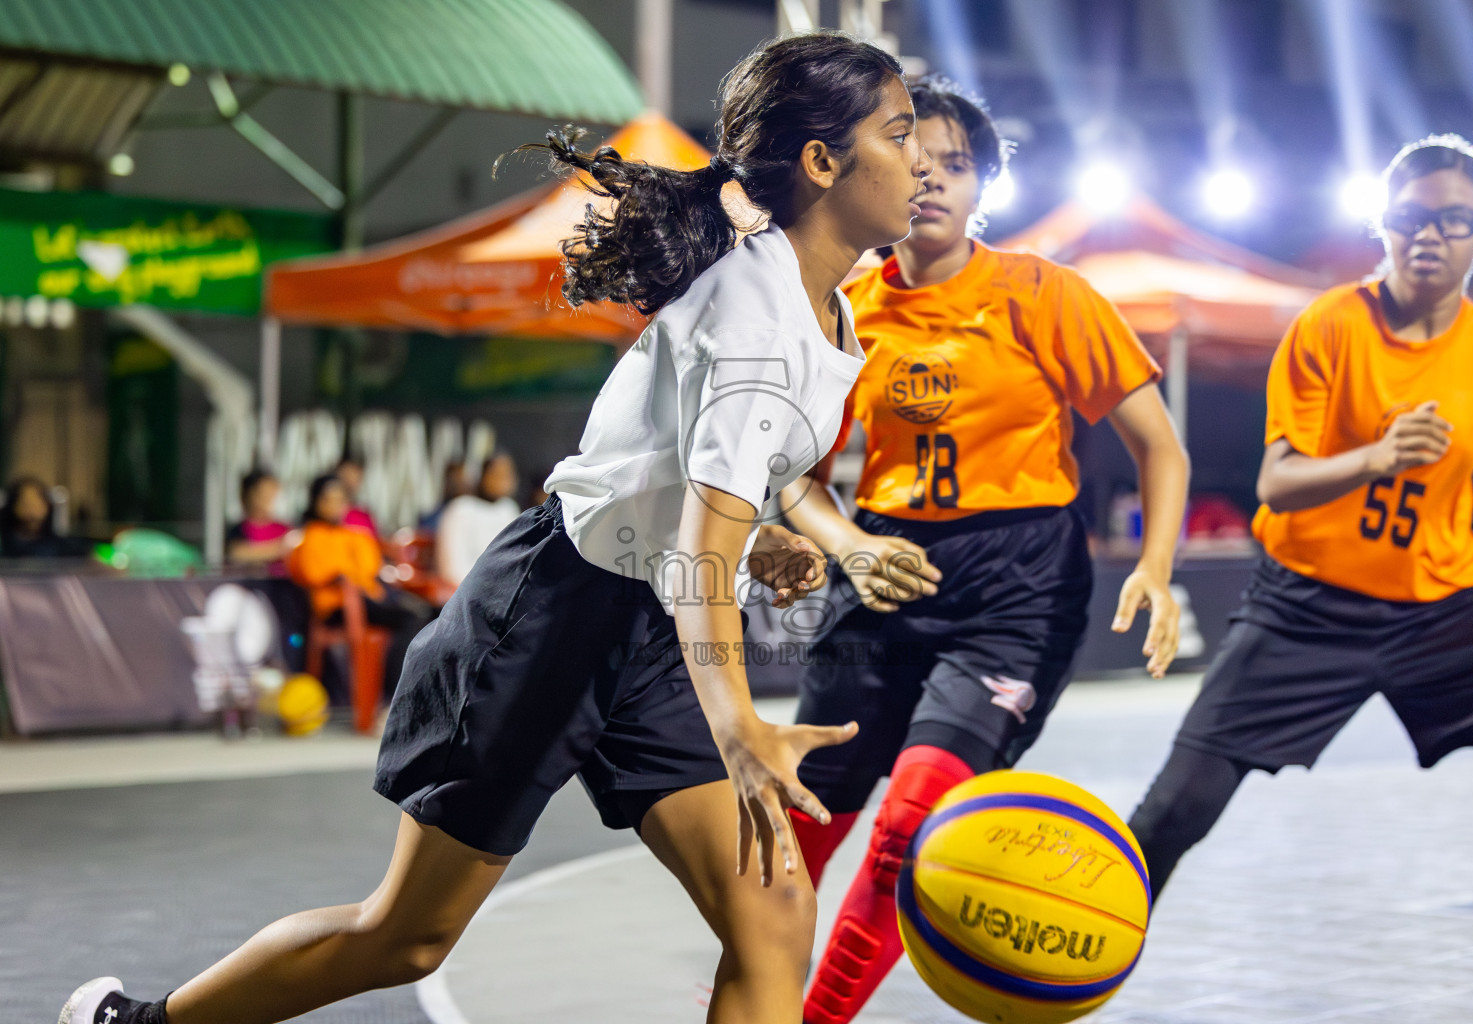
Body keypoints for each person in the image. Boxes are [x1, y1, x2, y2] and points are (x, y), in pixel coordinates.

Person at [60, 32, 931, 1024]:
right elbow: (700, 543)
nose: (922, 165)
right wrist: (739, 724)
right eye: (899, 136)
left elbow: (686, 483)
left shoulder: (825, 311)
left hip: (650, 630)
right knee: (406, 935)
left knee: (772, 912)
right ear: (823, 162)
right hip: (551, 619)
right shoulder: (760, 318)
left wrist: (761, 533)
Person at [780, 77, 1188, 1024]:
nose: (928, 182)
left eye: (953, 166)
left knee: (908, 832)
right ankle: (744, 1004)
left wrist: (1157, 569)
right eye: (907, 159)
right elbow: (794, 473)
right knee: (794, 833)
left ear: (983, 189)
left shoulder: (1046, 293)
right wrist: (843, 543)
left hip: (1017, 590)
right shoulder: (840, 309)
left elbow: (1159, 446)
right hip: (882, 570)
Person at [1127, 134, 1473, 909]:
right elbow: (1276, 483)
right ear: (1381, 223)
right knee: (1175, 809)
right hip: (1306, 609)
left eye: (1454, 221)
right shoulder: (1329, 326)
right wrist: (1376, 458)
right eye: (1411, 216)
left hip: (1443, 614)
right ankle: (1056, 970)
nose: (1429, 236)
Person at [282, 474, 434, 701]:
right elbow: (314, 573)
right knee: (410, 617)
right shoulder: (309, 538)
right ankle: (393, 695)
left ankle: (418, 692)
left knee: (428, 613)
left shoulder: (356, 535)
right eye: (327, 499)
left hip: (370, 599)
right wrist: (348, 576)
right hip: (338, 607)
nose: (334, 506)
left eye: (339, 499)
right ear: (315, 502)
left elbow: (370, 569)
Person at [434, 450, 520, 586]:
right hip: (467, 592)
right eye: (497, 474)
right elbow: (452, 569)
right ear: (481, 475)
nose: (504, 481)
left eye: (507, 475)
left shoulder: (508, 509)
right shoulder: (461, 509)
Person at [0, 476, 87, 560]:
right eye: (25, 503)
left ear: (47, 505)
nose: (32, 509)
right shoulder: (5, 545)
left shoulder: (62, 547)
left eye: (37, 503)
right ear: (12, 506)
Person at [225, 469, 293, 575]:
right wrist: (279, 549)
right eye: (263, 494)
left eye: (273, 494)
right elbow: (237, 554)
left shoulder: (285, 529)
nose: (269, 500)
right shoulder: (239, 530)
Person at [416, 459, 468, 533]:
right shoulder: (434, 516)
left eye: (461, 479)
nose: (457, 484)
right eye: (452, 479)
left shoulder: (472, 513)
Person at [335, 455, 379, 538]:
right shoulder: (331, 512)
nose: (350, 479)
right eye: (346, 474)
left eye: (355, 474)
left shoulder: (363, 513)